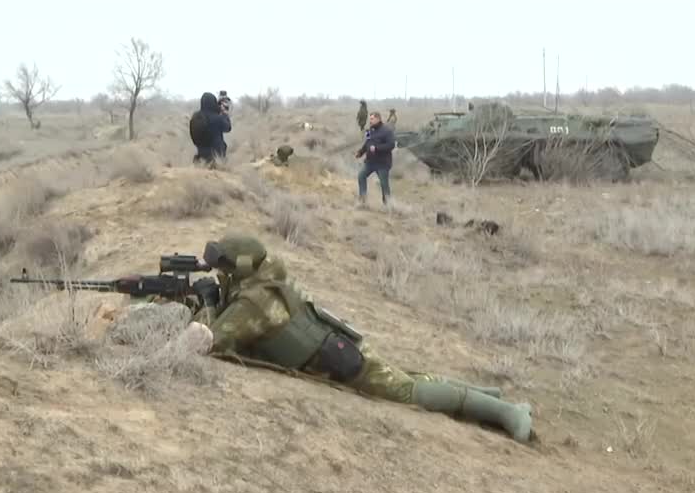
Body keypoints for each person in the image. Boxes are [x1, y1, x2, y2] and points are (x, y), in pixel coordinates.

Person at [177, 235, 534, 443]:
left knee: (408, 392)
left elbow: (207, 343)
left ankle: (507, 412)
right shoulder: (264, 282)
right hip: (336, 346)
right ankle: (486, 395)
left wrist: (207, 303)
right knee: (407, 376)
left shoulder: (254, 302)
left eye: (223, 267)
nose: (218, 273)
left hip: (337, 362)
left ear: (238, 268)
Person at [355, 111, 394, 205]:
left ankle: (388, 204)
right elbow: (367, 143)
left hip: (382, 163)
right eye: (370, 119)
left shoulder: (387, 131)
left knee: (384, 184)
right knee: (361, 176)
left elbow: (391, 145)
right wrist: (360, 152)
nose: (370, 121)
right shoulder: (370, 130)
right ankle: (362, 200)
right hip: (370, 162)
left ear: (378, 119)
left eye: (372, 119)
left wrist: (377, 148)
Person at [192, 91, 232, 165]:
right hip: (216, 157)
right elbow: (228, 128)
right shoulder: (216, 118)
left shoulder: (195, 117)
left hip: (200, 156)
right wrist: (225, 113)